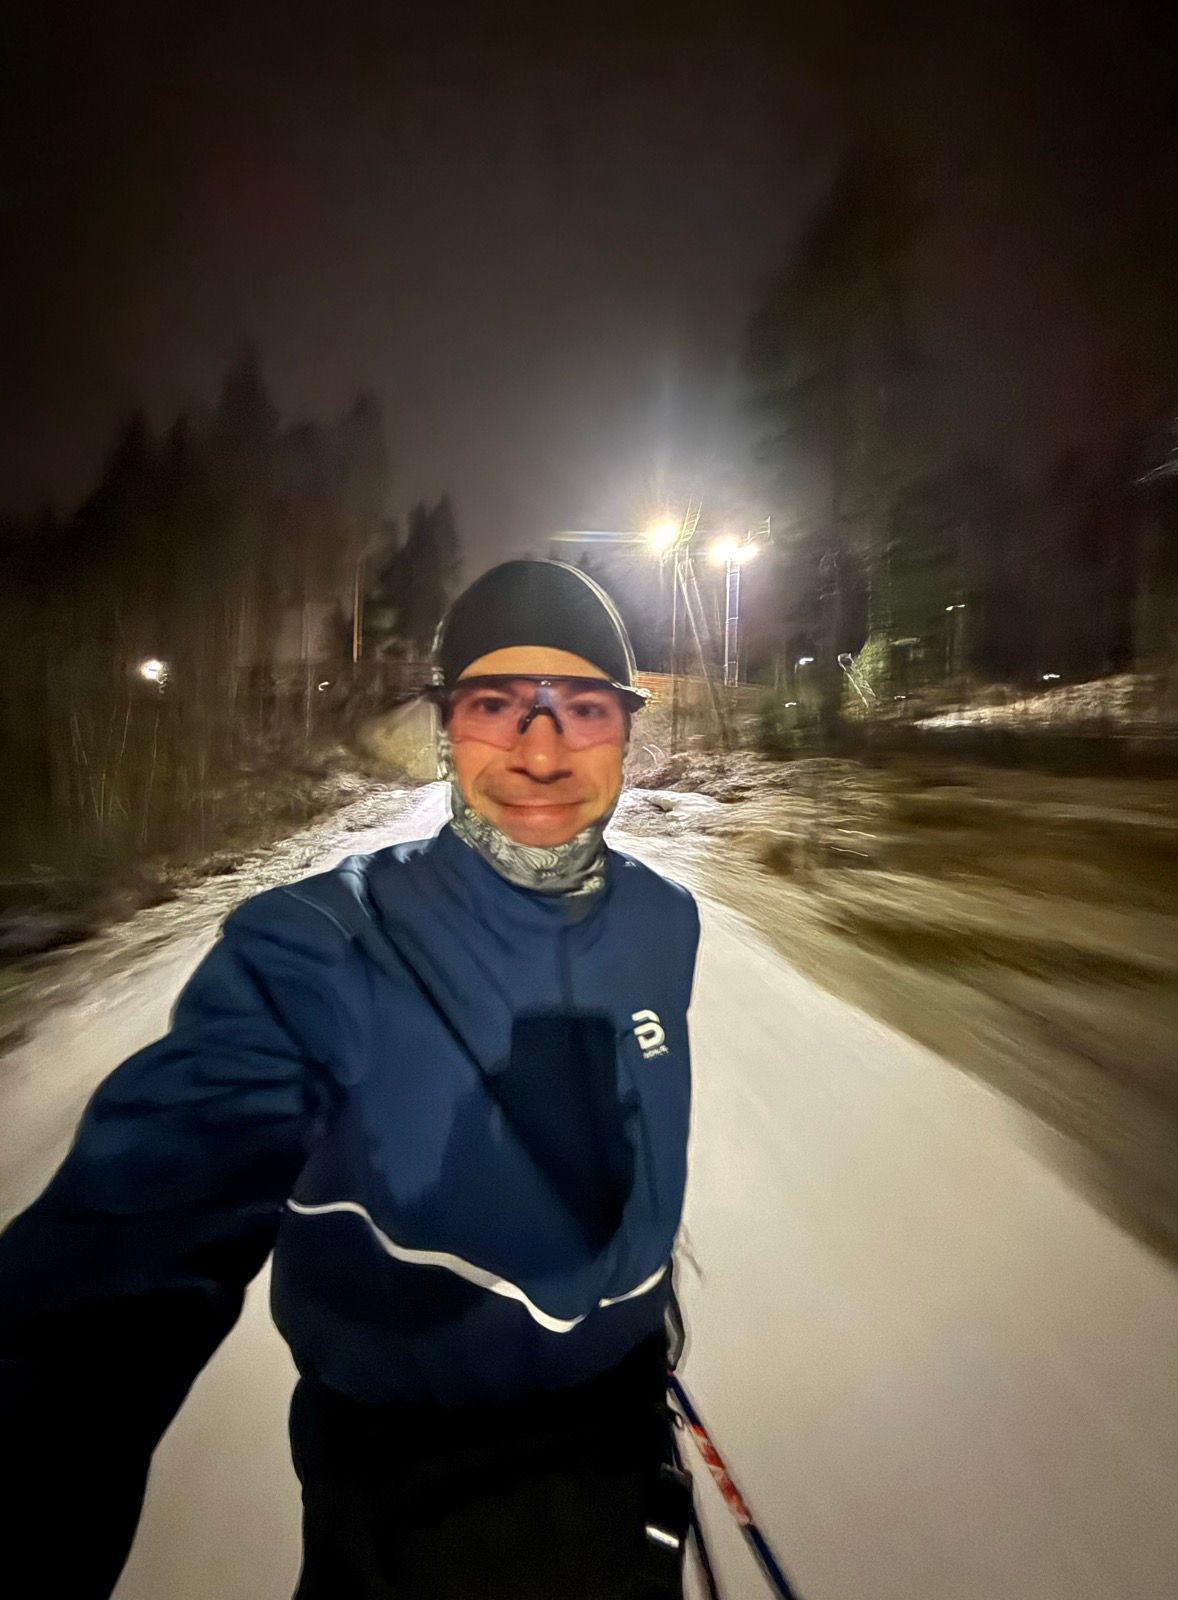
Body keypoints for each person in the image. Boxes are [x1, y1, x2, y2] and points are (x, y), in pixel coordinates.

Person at [0, 559, 702, 1600]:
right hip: (409, 1512)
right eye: (496, 704)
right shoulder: (321, 944)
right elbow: (115, 1264)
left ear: (625, 731)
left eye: (584, 707)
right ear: (445, 728)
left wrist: (640, 1305)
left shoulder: (663, 918)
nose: (542, 748)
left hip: (626, 1462)